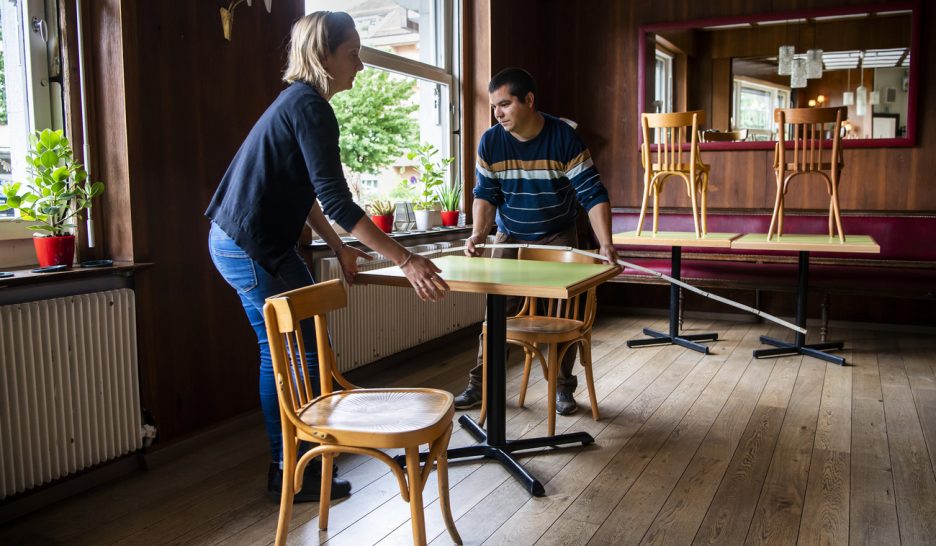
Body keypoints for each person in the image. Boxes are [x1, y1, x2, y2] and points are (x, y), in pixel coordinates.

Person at [205, 11, 449, 503]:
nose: (360, 65)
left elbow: (308, 196)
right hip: (251, 246)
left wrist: (339, 245)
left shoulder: (296, 104)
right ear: (324, 55)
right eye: (353, 54)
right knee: (305, 354)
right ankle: (299, 469)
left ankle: (291, 469)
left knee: (284, 353)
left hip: (239, 241)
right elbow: (337, 201)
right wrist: (406, 258)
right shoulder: (311, 107)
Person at [456, 67, 619, 416]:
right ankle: (481, 384)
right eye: (494, 107)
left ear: (529, 100)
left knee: (561, 317)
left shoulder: (564, 138)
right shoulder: (491, 141)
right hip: (510, 233)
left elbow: (592, 194)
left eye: (505, 104)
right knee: (497, 313)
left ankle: (563, 388)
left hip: (557, 235)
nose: (498, 113)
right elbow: (485, 195)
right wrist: (477, 234)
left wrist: (605, 244)